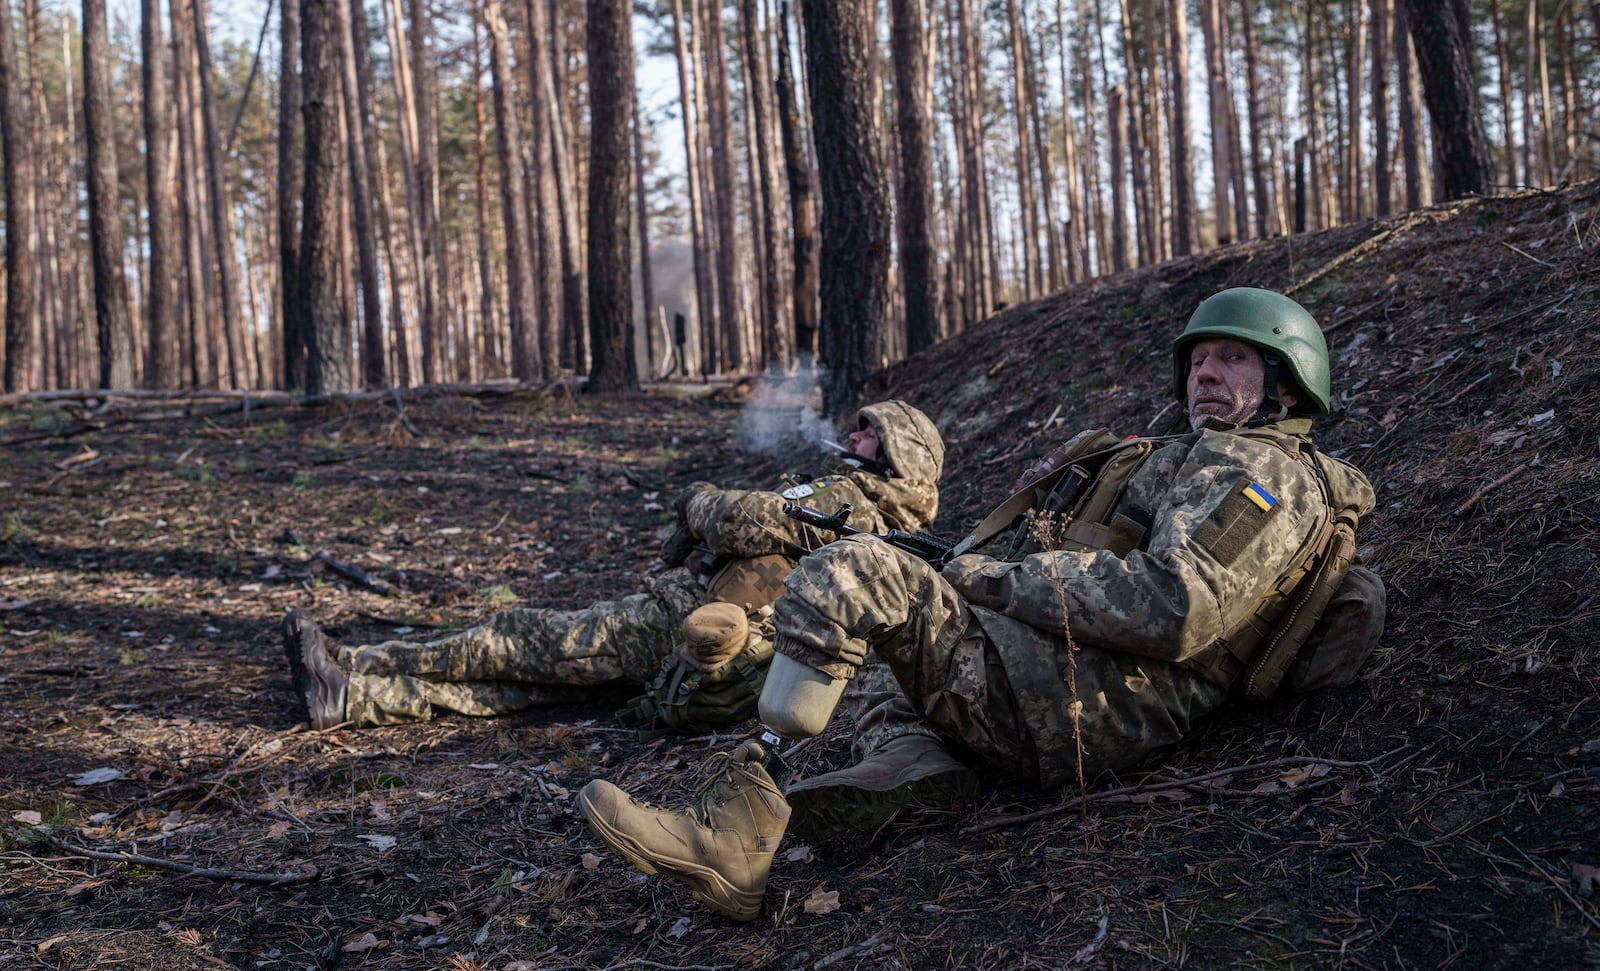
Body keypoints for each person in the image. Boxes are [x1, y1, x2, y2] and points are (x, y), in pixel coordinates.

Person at [576, 287, 1386, 922]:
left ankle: (736, 836)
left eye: (1232, 361)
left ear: (1286, 382)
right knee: (897, 591)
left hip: (1094, 703)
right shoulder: (1181, 455)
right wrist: (981, 565)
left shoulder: (1264, 475)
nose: (1205, 373)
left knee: (856, 572)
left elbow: (1177, 605)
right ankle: (915, 758)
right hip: (1068, 676)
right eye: (1198, 359)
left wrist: (990, 580)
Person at [282, 400, 946, 730]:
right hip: (702, 636)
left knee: (519, 639)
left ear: (895, 456)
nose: (853, 436)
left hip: (686, 623)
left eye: (869, 432)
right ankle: (349, 692)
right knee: (530, 687)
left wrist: (700, 501)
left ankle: (361, 665)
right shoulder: (867, 508)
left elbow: (746, 519)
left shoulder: (856, 500)